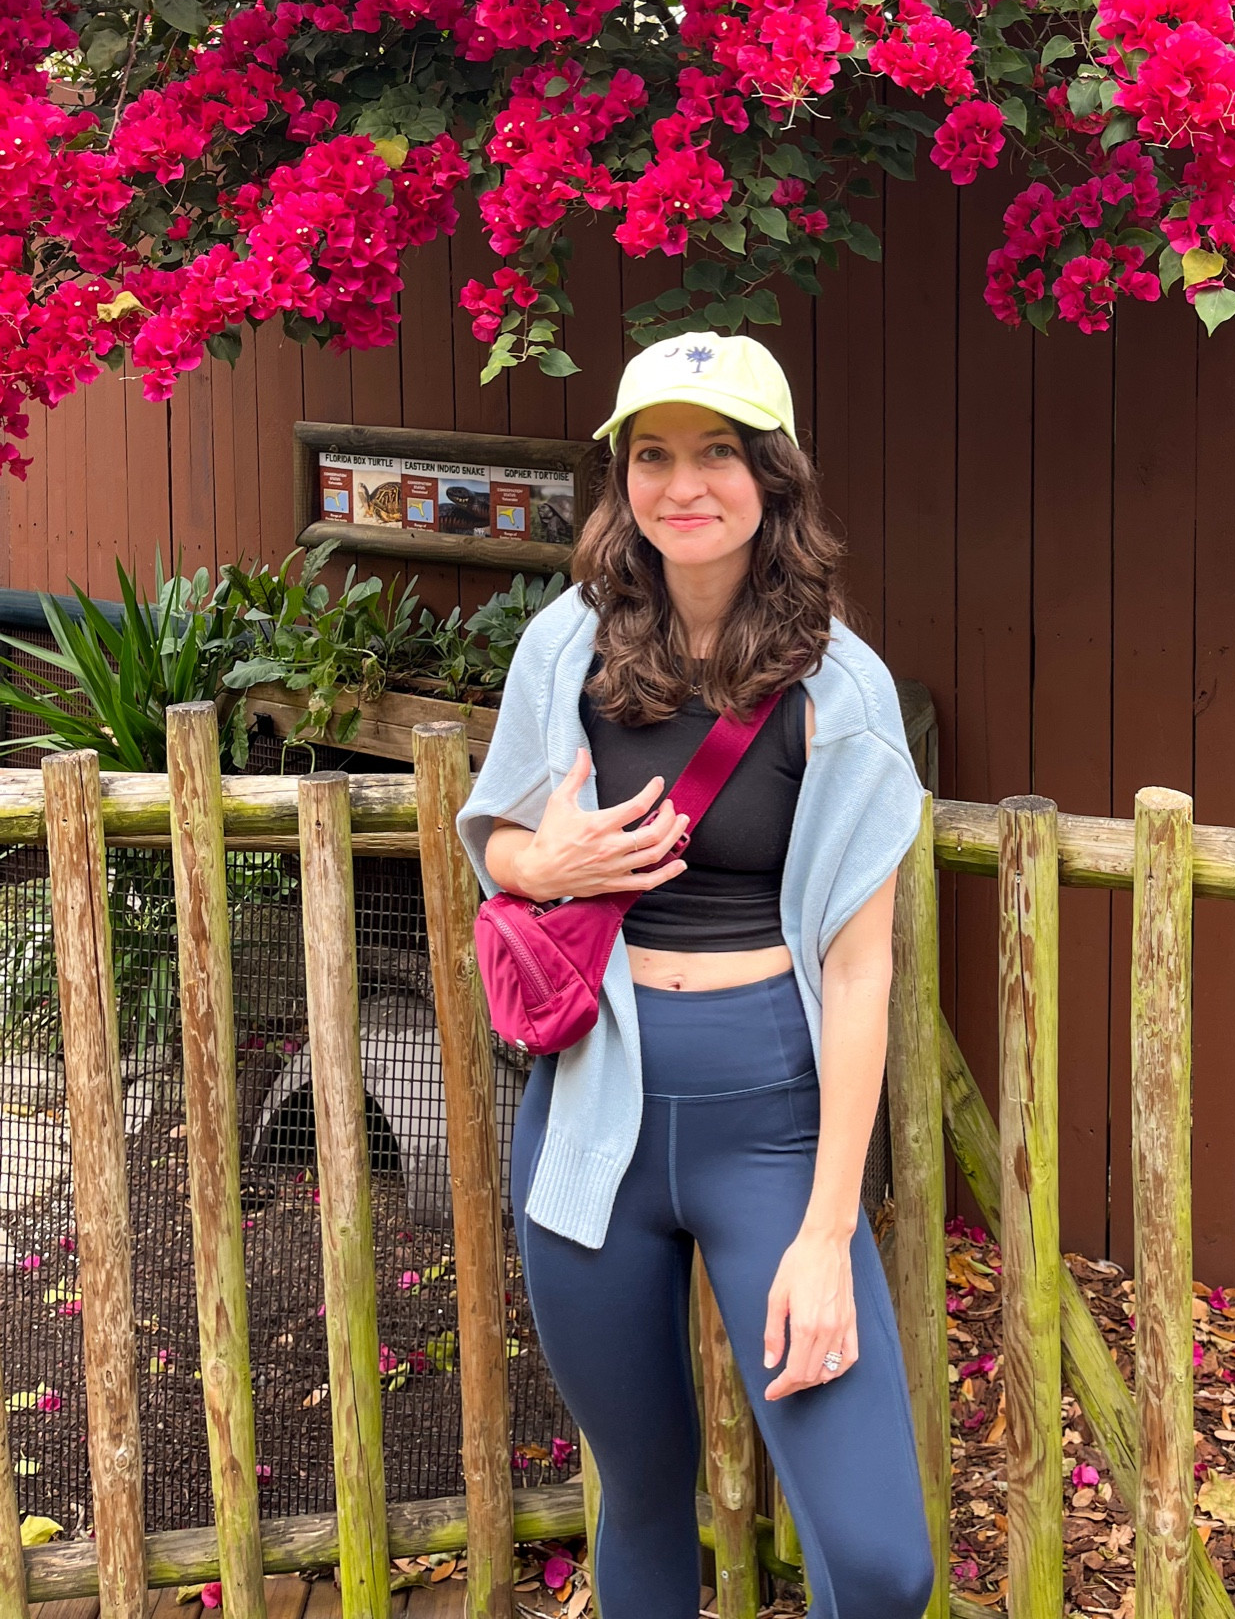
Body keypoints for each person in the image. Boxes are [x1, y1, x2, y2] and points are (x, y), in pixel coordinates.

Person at [457, 334, 936, 1619]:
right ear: (622, 477)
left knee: (882, 1565)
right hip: (589, 1116)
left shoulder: (842, 688)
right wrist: (549, 859)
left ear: (772, 475)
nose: (684, 485)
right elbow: (498, 840)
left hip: (769, 1122)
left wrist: (827, 1232)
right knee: (643, 1495)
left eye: (718, 450)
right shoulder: (567, 644)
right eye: (653, 454)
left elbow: (860, 970)